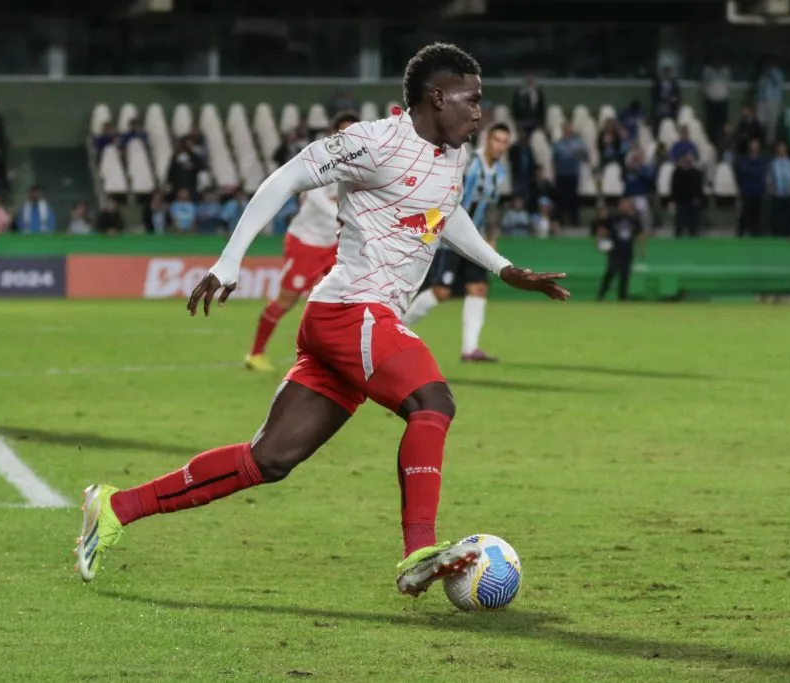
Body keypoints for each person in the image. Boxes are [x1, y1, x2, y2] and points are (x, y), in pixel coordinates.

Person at [75, 44, 569, 596]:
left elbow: (444, 212)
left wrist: (503, 269)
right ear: (437, 97)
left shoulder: (453, 155)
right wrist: (229, 260)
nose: (480, 111)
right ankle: (417, 555)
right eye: (471, 99)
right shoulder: (372, 141)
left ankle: (116, 507)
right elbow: (283, 179)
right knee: (433, 403)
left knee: (270, 458)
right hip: (352, 310)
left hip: (347, 323)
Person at [245, 112, 359, 372]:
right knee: (287, 299)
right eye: (343, 131)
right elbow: (317, 199)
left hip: (335, 244)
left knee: (345, 299)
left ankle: (338, 357)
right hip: (306, 241)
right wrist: (343, 217)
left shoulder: (361, 162)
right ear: (334, 134)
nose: (348, 136)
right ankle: (256, 353)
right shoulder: (322, 159)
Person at [401, 122, 511, 362]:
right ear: (487, 140)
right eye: (497, 140)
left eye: (504, 142)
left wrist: (490, 237)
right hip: (449, 237)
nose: (500, 146)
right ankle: (396, 329)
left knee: (478, 289)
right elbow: (446, 194)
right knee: (441, 291)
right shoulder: (471, 165)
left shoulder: (499, 171)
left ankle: (470, 349)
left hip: (475, 241)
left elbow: (492, 207)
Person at [594, 197, 644, 301]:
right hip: (614, 250)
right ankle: (601, 295)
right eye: (623, 205)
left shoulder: (633, 219)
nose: (625, 207)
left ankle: (623, 297)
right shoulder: (612, 218)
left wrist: (641, 248)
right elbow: (601, 229)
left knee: (625, 274)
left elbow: (640, 233)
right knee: (611, 272)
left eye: (627, 205)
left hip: (627, 250)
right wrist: (599, 243)